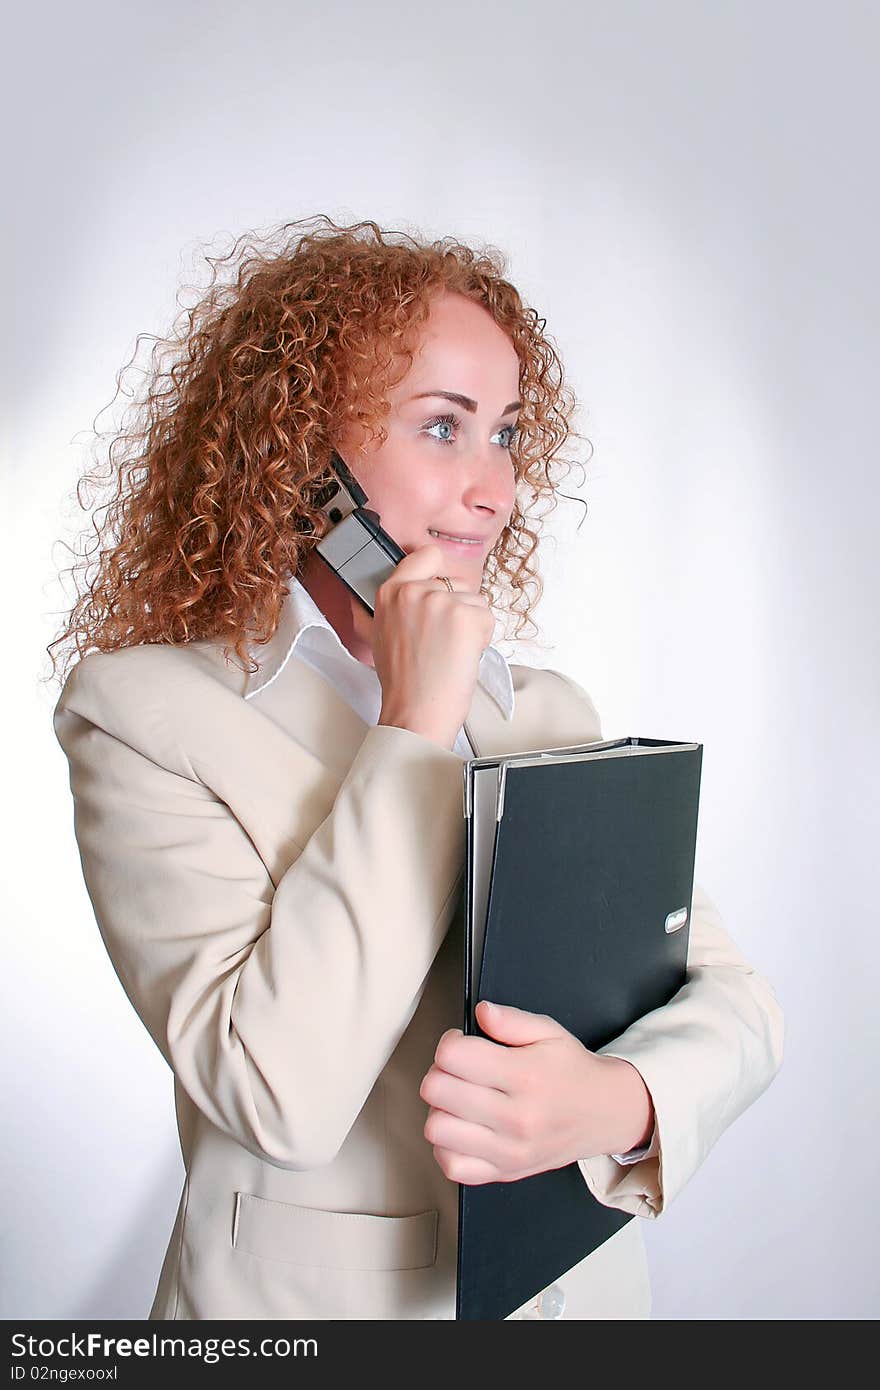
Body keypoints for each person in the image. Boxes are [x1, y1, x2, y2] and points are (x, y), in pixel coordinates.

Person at [48, 215, 784, 1321]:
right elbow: (276, 1093)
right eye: (442, 427)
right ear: (303, 462)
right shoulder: (148, 716)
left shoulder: (544, 710)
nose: (494, 488)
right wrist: (412, 723)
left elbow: (733, 1001)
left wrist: (617, 1097)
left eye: (506, 434)